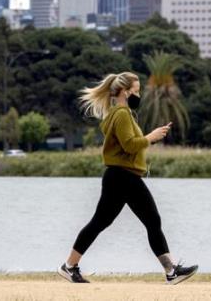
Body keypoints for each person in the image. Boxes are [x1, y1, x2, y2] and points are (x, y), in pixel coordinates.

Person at [58, 72, 198, 285]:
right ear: (125, 92)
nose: (138, 94)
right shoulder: (122, 114)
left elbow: (131, 143)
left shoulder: (119, 113)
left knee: (102, 222)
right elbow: (130, 144)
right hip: (123, 177)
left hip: (120, 176)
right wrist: (150, 137)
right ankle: (171, 272)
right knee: (151, 220)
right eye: (136, 90)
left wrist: (149, 139)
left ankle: (69, 266)